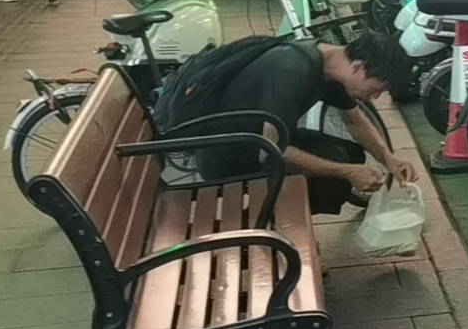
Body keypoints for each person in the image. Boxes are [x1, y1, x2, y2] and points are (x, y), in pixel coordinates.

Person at [160, 33, 417, 215]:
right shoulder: (293, 72)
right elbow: (271, 150)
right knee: (336, 167)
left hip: (256, 140)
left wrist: (389, 159)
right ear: (358, 68)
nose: (374, 98)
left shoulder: (329, 62)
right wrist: (345, 172)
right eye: (375, 89)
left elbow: (354, 119)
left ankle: (288, 223)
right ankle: (278, 226)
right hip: (229, 156)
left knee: (350, 153)